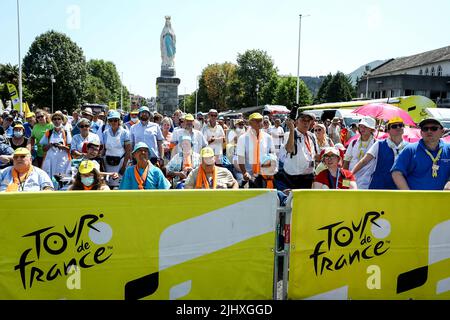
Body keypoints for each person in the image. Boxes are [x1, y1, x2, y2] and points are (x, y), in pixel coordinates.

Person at [391, 117, 450, 190]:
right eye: (425, 129)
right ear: (421, 132)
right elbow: (396, 173)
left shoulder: (448, 149)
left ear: (442, 132)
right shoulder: (410, 149)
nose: (429, 131)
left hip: (443, 199)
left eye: (433, 128)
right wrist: (408, 194)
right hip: (416, 200)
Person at [352, 117, 408, 189]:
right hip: (380, 185)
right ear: (388, 130)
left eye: (401, 125)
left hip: (400, 186)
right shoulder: (379, 144)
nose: (398, 127)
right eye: (394, 126)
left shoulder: (408, 147)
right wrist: (351, 174)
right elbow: (364, 161)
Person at [276, 111, 318, 190]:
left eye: (308, 121)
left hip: (308, 177)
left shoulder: (311, 136)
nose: (305, 123)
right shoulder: (288, 134)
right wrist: (292, 130)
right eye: (303, 120)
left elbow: (315, 155)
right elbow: (289, 149)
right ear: (296, 122)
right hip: (292, 178)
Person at [236, 113, 277, 188]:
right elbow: (240, 157)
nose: (259, 122)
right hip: (251, 176)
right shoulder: (243, 138)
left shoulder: (268, 137)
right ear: (250, 123)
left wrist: (271, 167)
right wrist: (244, 173)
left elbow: (272, 153)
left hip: (266, 174)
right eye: (256, 120)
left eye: (260, 120)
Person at [343, 116, 377, 189]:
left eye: (365, 127)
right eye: (361, 126)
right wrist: (345, 181)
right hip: (351, 180)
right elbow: (346, 161)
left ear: (372, 129)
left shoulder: (377, 144)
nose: (362, 129)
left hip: (368, 181)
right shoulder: (353, 142)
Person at [100, 110, 131, 188]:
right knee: (107, 186)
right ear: (108, 122)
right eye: (111, 120)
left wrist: (124, 167)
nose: (113, 122)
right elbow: (104, 149)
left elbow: (128, 151)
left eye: (115, 120)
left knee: (119, 186)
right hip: (107, 163)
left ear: (119, 121)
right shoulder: (105, 133)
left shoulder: (125, 133)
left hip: (120, 164)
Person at [40, 111, 72, 179]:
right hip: (50, 161)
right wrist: (50, 145)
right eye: (54, 119)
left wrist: (62, 147)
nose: (56, 121)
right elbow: (43, 148)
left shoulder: (66, 132)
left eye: (59, 119)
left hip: (63, 161)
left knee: (62, 179)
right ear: (52, 121)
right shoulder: (48, 132)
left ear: (62, 121)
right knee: (50, 179)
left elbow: (70, 148)